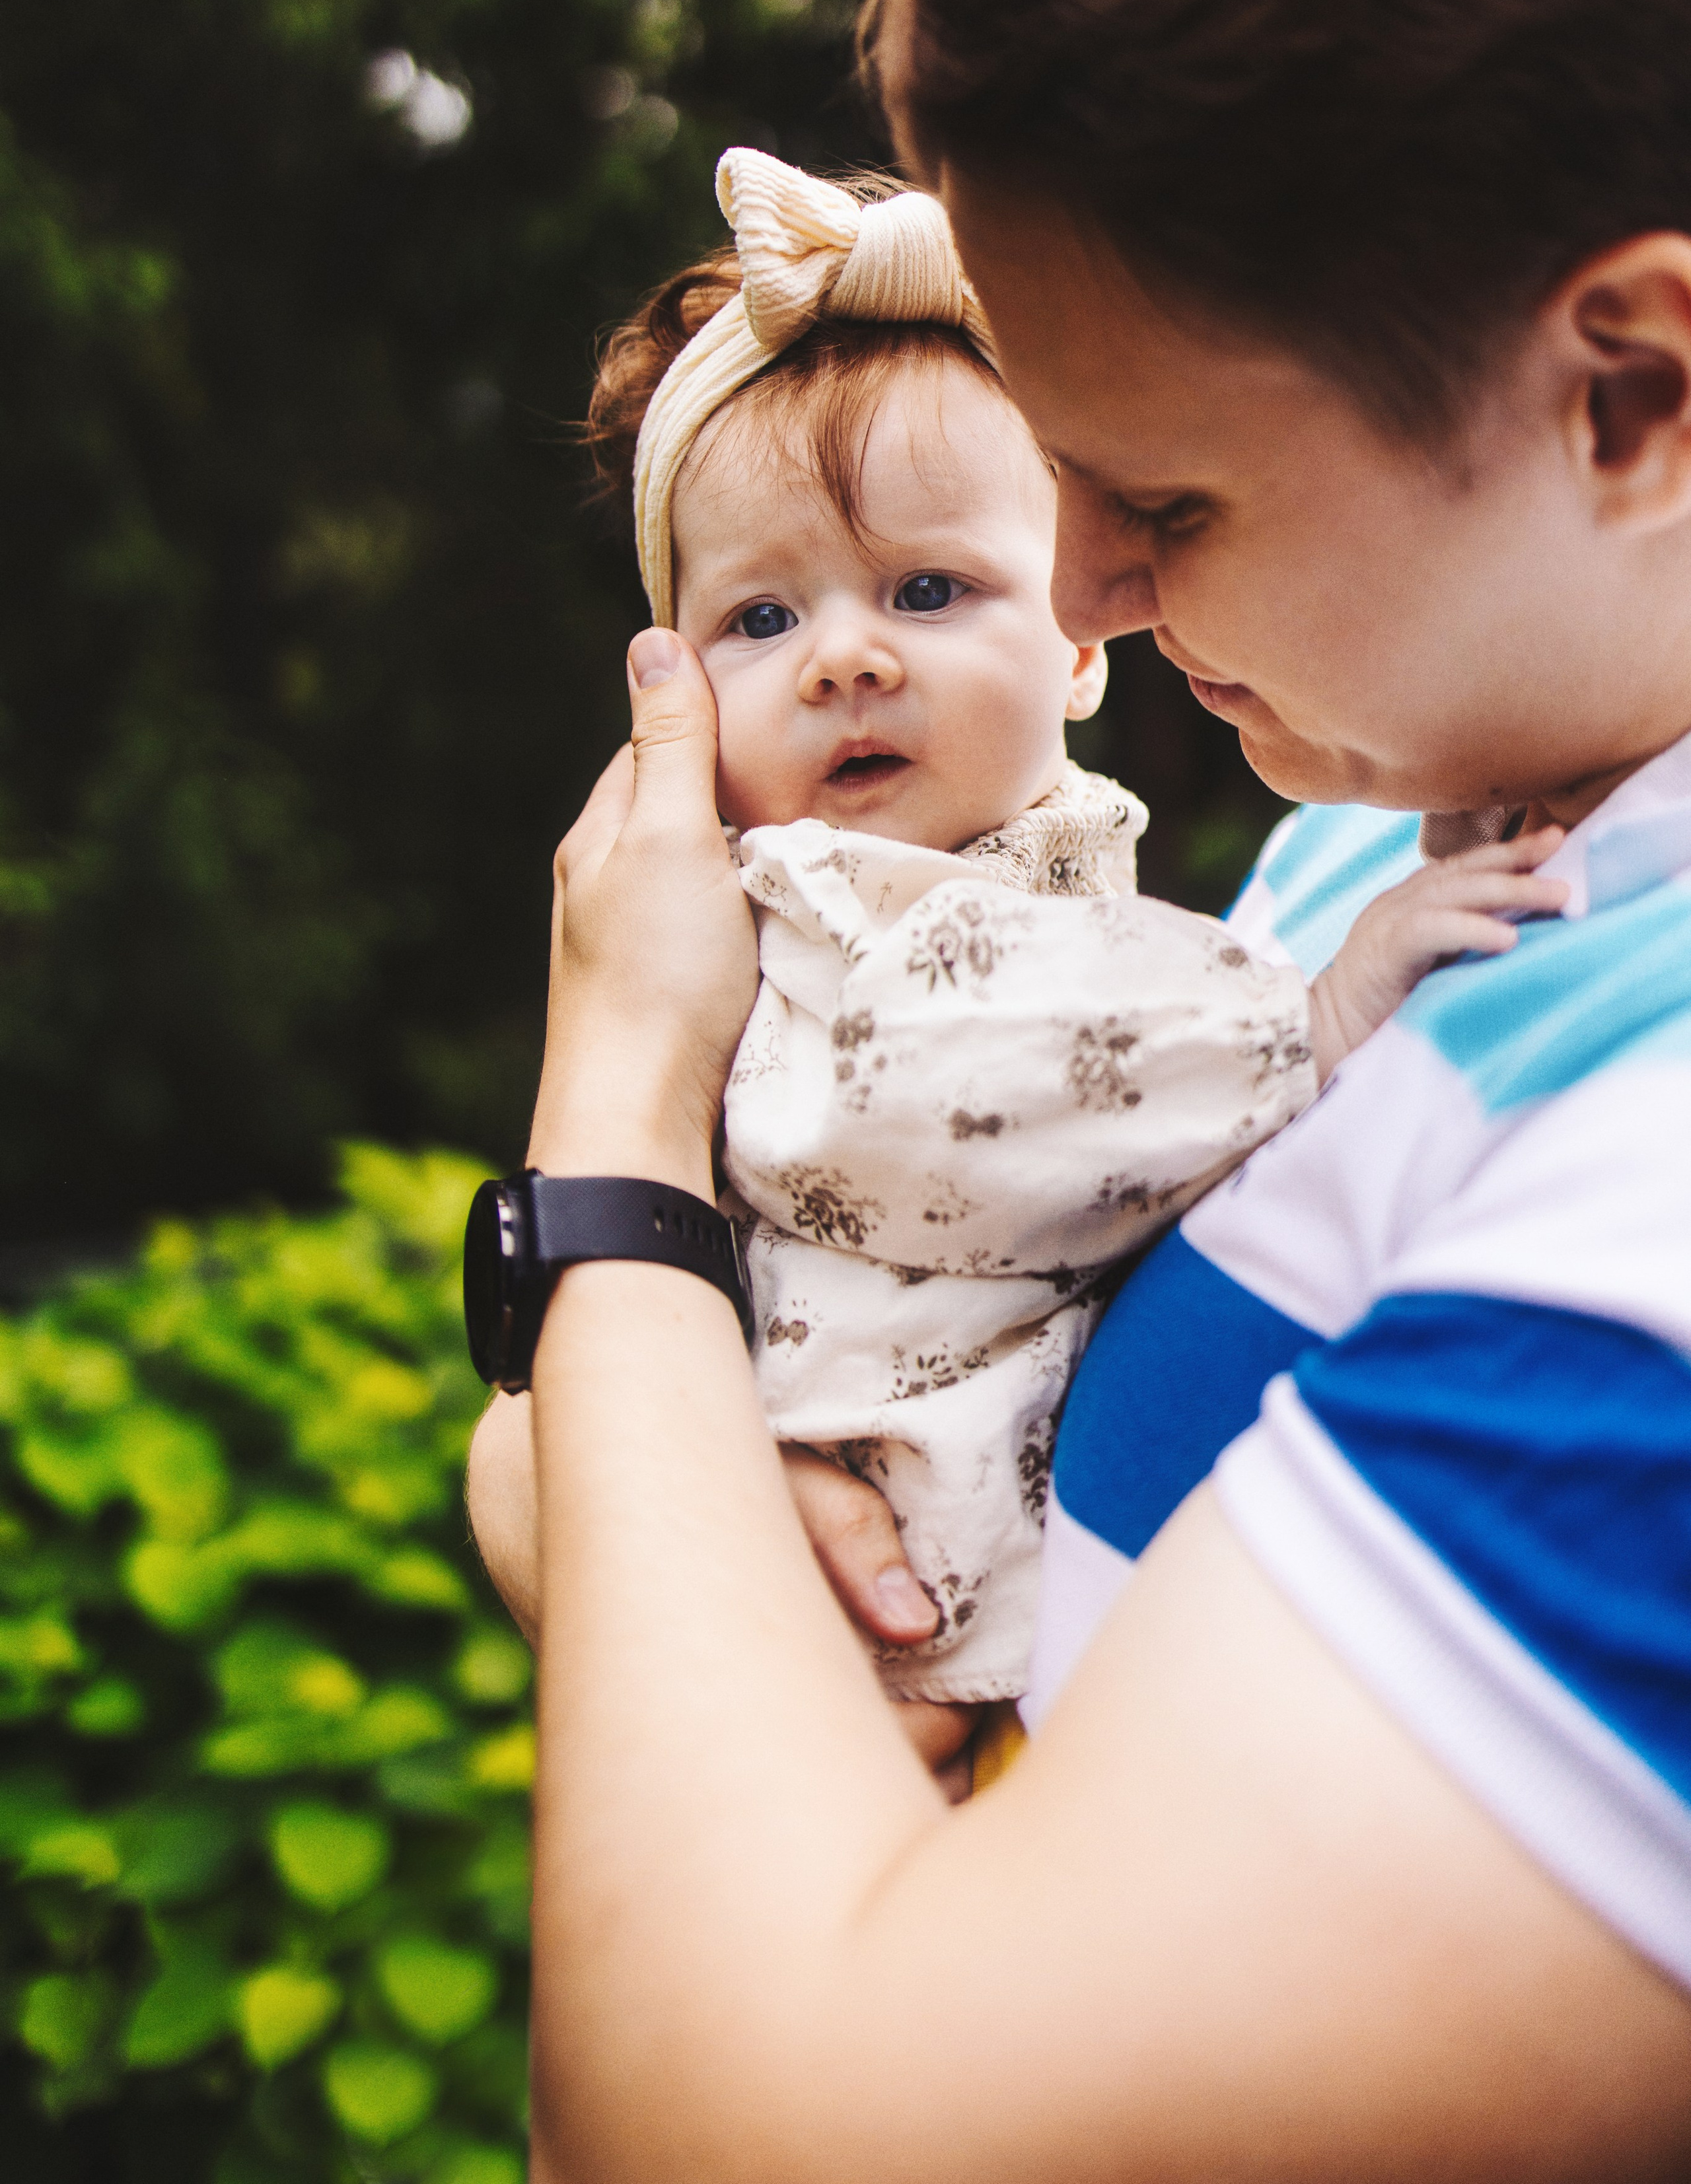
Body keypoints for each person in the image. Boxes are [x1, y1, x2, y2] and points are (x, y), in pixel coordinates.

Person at [468, 0, 1691, 2173]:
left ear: (1638, 387)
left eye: (1174, 495)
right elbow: (615, 1461)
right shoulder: (1402, 847)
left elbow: (777, 2136)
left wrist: (610, 1150)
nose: (1096, 601)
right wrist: (598, 1449)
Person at [583, 139, 1562, 1722]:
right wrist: (1303, 1026)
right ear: (674, 697)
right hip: (901, 1618)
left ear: (1081, 643)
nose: (840, 658)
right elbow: (956, 1083)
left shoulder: (1062, 870)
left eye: (923, 588)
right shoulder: (816, 918)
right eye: (759, 619)